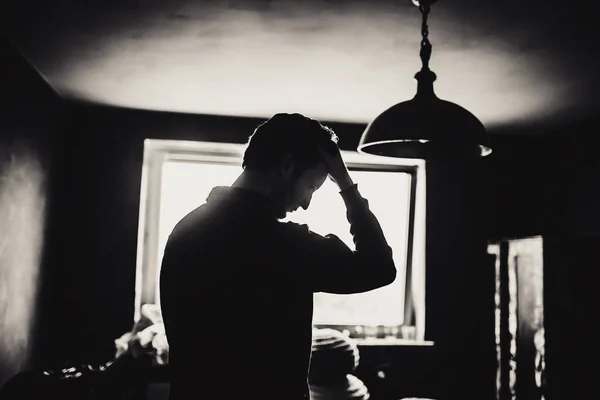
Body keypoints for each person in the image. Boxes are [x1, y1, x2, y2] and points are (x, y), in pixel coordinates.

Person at [159, 113, 396, 400]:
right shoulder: (285, 245)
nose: (307, 203)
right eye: (311, 186)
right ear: (286, 166)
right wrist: (344, 182)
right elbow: (379, 267)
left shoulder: (184, 230)